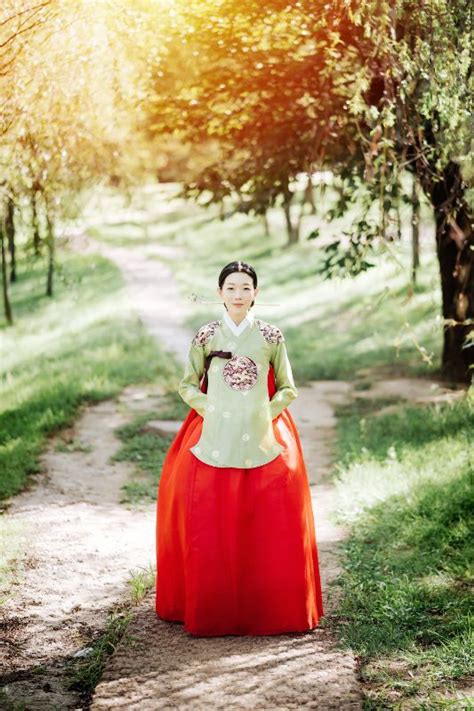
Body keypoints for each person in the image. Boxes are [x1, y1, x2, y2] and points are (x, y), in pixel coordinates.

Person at [155, 260, 324, 636]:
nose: (238, 294)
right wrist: (210, 410)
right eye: (231, 288)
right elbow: (186, 385)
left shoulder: (270, 336)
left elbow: (287, 387)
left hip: (262, 428)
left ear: (256, 294)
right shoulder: (206, 336)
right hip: (213, 430)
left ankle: (270, 606)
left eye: (245, 288)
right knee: (202, 510)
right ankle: (213, 604)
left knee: (274, 512)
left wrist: (265, 413)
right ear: (219, 293)